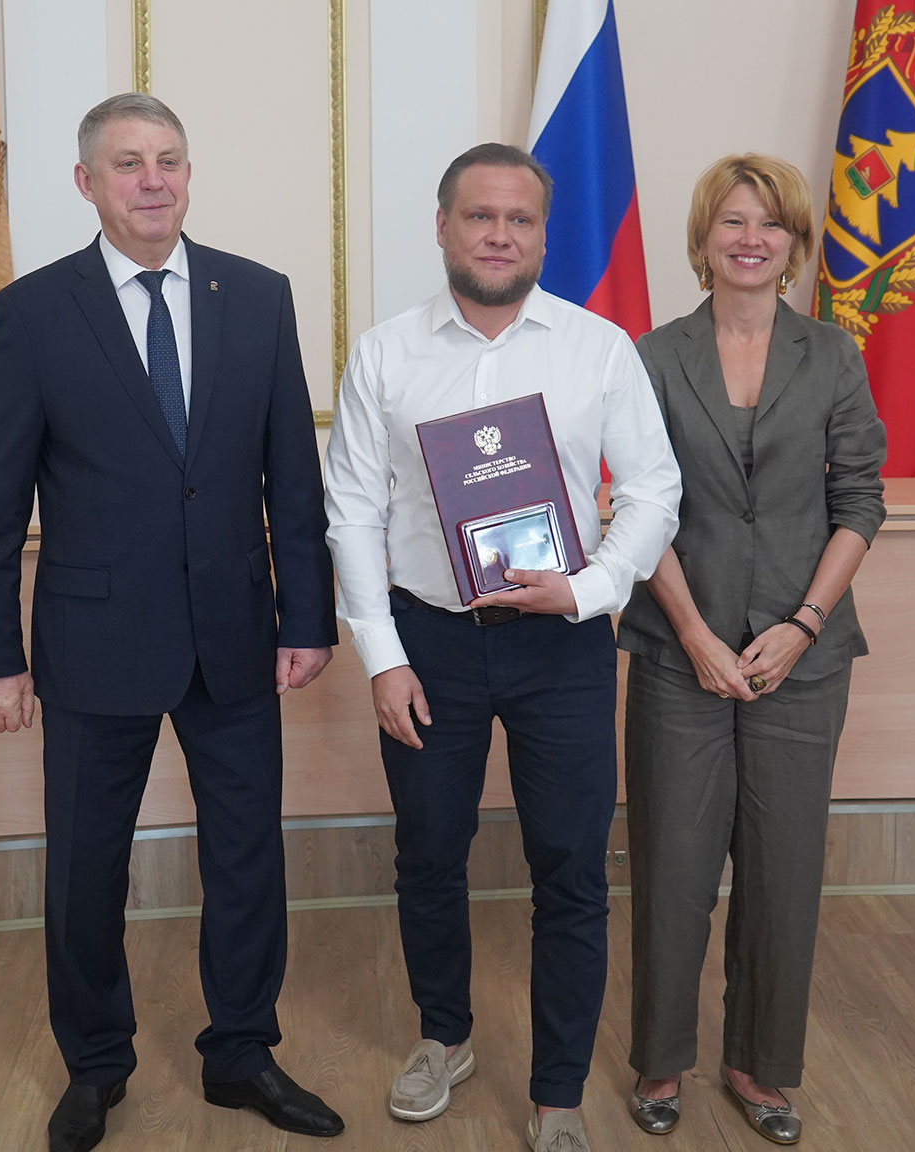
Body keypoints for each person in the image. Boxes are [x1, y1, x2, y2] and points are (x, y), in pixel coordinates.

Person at [0, 93, 343, 1152]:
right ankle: (95, 1063)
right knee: (86, 868)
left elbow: (291, 480)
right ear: (87, 183)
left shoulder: (257, 297)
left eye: (169, 158)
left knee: (248, 859)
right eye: (128, 163)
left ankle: (243, 1053)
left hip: (235, 637)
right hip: (93, 644)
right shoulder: (34, 313)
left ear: (188, 173)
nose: (153, 179)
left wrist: (307, 617)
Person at [324, 142, 682, 1152]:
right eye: (479, 216)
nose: (499, 234)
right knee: (428, 854)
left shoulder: (598, 348)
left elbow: (654, 490)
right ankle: (444, 1038)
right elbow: (351, 511)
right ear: (442, 227)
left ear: (543, 236)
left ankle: (558, 1092)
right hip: (428, 644)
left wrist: (591, 589)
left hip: (561, 646)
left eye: (519, 219)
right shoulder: (385, 354)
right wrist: (383, 657)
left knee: (570, 868)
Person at [617, 153, 887, 1144]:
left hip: (801, 659)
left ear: (795, 244)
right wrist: (694, 633)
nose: (751, 239)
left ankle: (760, 1067)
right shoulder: (650, 355)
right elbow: (639, 507)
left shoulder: (834, 355)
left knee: (783, 873)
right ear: (703, 239)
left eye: (771, 224)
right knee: (673, 867)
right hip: (675, 648)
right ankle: (662, 1058)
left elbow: (860, 500)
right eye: (732, 221)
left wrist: (803, 623)